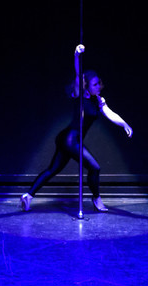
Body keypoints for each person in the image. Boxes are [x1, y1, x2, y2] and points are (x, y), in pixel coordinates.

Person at [20, 44, 133, 213]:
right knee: (95, 167)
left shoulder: (98, 100)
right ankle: (97, 199)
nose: (98, 87)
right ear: (86, 86)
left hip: (70, 139)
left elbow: (111, 114)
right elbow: (78, 73)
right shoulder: (81, 95)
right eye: (94, 84)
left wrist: (125, 124)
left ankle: (27, 196)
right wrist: (76, 54)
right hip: (70, 139)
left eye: (98, 84)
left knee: (53, 169)